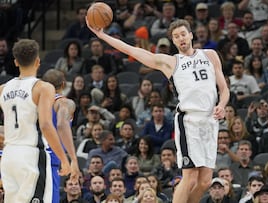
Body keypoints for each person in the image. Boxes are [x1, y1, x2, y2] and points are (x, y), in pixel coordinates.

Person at [86, 18, 229, 203]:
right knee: (190, 176)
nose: (181, 38)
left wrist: (222, 106)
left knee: (205, 181)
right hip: (189, 121)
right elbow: (132, 50)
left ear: (191, 35)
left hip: (210, 121)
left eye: (183, 34)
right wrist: (102, 35)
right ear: (173, 41)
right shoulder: (170, 62)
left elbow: (224, 89)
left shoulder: (210, 55)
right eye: (176, 37)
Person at [0, 39, 70, 202]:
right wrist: (63, 158)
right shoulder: (43, 88)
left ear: (16, 62)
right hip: (31, 154)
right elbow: (46, 125)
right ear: (38, 61)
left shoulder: (3, 89)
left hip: (9, 155)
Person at [42, 69, 81, 203]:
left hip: (26, 160)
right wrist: (73, 159)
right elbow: (61, 124)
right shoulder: (64, 103)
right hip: (48, 162)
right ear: (63, 84)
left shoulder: (31, 103)